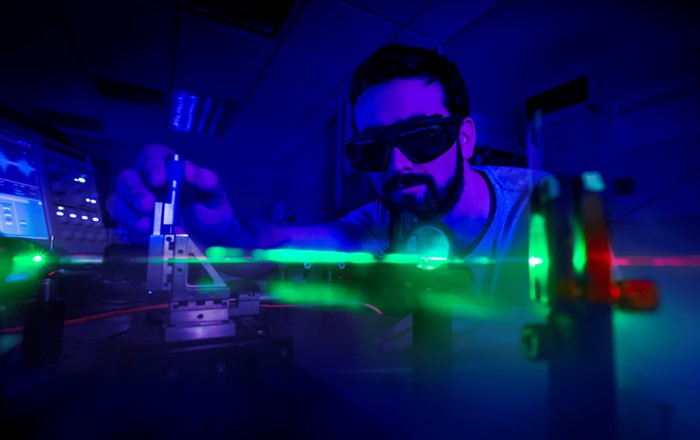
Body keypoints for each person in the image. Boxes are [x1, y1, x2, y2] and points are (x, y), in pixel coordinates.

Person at [106, 43, 538, 350]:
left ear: (463, 138)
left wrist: (500, 332)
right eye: (373, 148)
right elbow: (280, 246)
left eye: (422, 137)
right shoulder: (383, 218)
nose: (397, 165)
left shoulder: (543, 205)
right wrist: (222, 230)